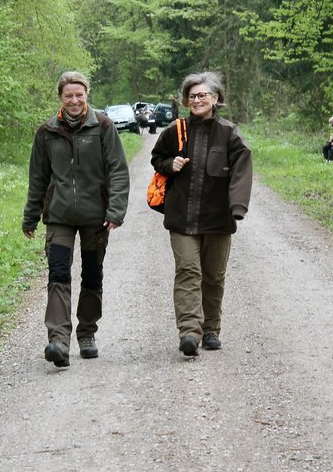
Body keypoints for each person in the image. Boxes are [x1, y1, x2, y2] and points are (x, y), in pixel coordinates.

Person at [22, 71, 130, 368]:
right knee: (58, 274)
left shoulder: (103, 126)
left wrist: (116, 210)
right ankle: (58, 340)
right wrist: (30, 217)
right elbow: (38, 178)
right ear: (60, 97)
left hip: (96, 217)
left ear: (87, 95)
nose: (74, 100)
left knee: (92, 275)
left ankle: (87, 334)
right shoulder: (47, 131)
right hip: (59, 216)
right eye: (68, 95)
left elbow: (118, 170)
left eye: (79, 95)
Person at [150, 72, 253, 357]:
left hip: (218, 219)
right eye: (192, 96)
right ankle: (189, 332)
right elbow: (157, 157)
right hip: (181, 218)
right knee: (187, 271)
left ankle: (210, 330)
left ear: (215, 98)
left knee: (213, 276)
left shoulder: (229, 133)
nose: (197, 100)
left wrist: (238, 206)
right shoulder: (175, 130)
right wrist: (170, 165)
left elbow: (242, 169)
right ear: (186, 101)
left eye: (202, 95)